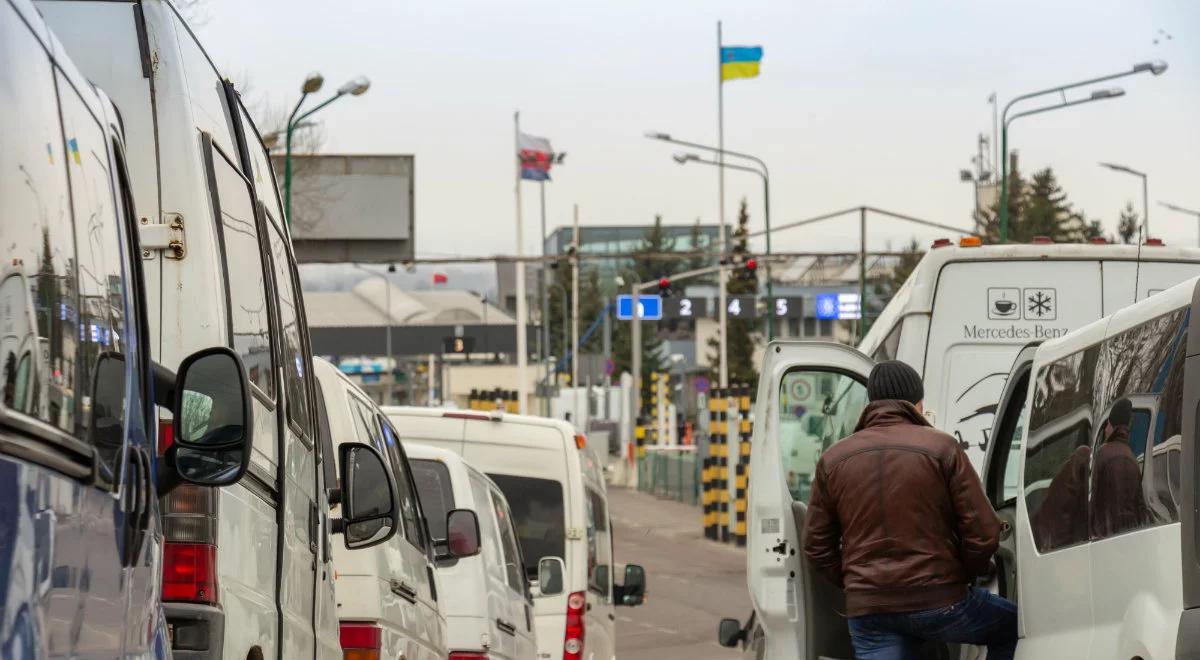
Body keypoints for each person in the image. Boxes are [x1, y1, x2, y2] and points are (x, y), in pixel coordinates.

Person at [802, 360, 1016, 660]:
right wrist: (962, 576)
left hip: (869, 611)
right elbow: (983, 532)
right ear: (916, 403)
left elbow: (815, 546)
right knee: (1011, 626)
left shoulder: (832, 459)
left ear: (872, 403)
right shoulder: (942, 448)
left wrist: (859, 582)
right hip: (939, 601)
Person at [1090, 398, 1147, 538]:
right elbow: (1139, 505)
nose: (1105, 429)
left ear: (1113, 426)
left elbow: (1094, 500)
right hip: (1129, 536)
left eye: (1107, 424)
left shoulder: (1103, 453)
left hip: (1105, 538)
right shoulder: (1133, 459)